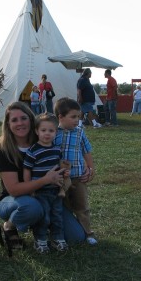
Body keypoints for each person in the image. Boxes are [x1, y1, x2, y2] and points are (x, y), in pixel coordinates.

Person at [0, 102, 85, 252]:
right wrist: (45, 180)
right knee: (32, 207)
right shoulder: (5, 151)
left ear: (31, 120)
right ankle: (10, 225)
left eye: (23, 118)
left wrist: (82, 169)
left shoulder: (43, 139)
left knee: (76, 236)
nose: (20, 123)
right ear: (8, 124)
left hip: (49, 195)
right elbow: (14, 190)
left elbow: (64, 155)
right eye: (14, 120)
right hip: (15, 201)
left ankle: (45, 224)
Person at [53, 97, 98, 245]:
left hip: (78, 178)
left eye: (78, 117)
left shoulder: (80, 132)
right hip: (60, 180)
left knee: (82, 206)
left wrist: (90, 168)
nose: (77, 120)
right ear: (60, 117)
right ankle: (61, 231)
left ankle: (88, 233)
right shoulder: (53, 133)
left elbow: (87, 151)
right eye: (73, 117)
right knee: (63, 206)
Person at [23, 113, 69, 253]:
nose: (47, 134)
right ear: (37, 131)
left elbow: (59, 166)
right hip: (40, 191)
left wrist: (64, 172)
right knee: (44, 217)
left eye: (51, 131)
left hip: (55, 190)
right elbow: (27, 170)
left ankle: (57, 238)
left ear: (56, 132)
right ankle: (40, 240)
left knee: (57, 216)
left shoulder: (56, 149)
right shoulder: (33, 151)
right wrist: (29, 188)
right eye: (43, 130)